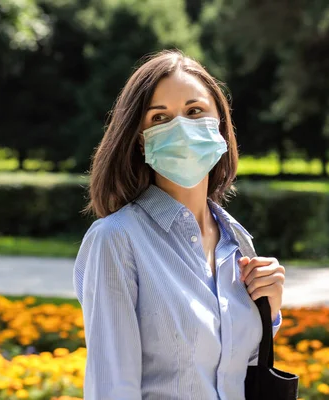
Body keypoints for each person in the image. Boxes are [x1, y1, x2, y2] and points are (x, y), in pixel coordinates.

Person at [73, 49, 287, 400]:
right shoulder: (116, 241)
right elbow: (112, 389)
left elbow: (232, 370)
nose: (182, 128)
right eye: (160, 118)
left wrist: (269, 312)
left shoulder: (238, 244)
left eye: (194, 112)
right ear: (139, 139)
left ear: (220, 124)